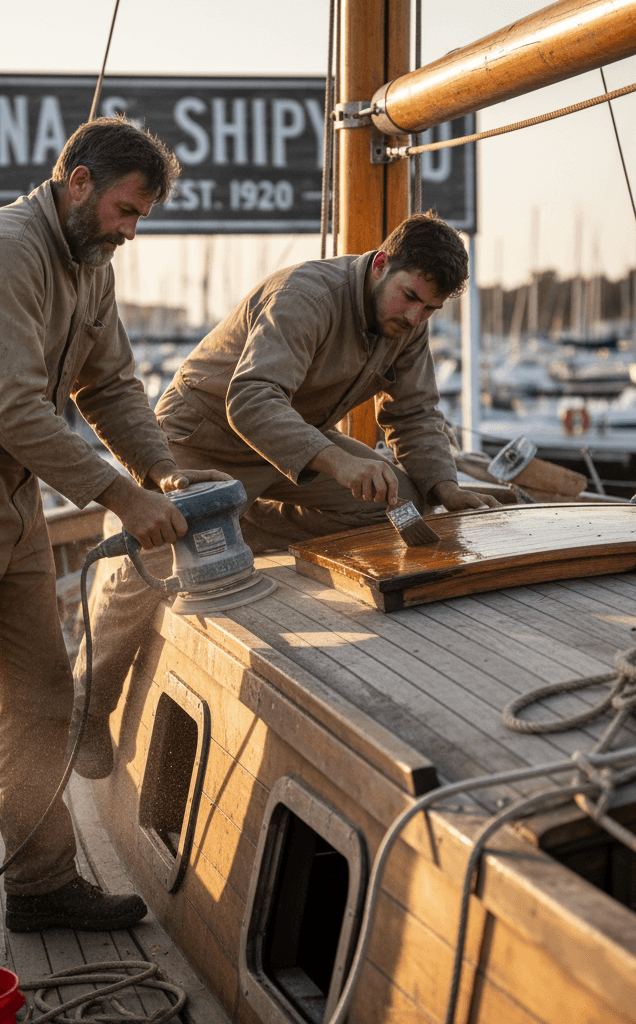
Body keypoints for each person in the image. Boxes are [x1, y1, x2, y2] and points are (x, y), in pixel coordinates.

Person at [0, 116, 226, 953]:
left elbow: (113, 386)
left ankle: (41, 883)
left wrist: (161, 473)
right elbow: (15, 407)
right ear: (78, 183)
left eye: (140, 218)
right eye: (126, 211)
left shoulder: (86, 263)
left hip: (10, 488)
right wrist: (119, 498)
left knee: (37, 696)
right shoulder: (3, 248)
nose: (131, 232)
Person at [74, 211, 500, 779]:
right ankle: (85, 709)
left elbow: (416, 412)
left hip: (291, 434)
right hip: (202, 434)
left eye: (430, 309)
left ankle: (233, 526)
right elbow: (250, 400)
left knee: (402, 498)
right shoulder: (306, 294)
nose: (415, 316)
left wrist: (447, 489)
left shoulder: (408, 324)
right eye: (410, 298)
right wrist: (338, 460)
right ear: (379, 265)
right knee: (152, 558)